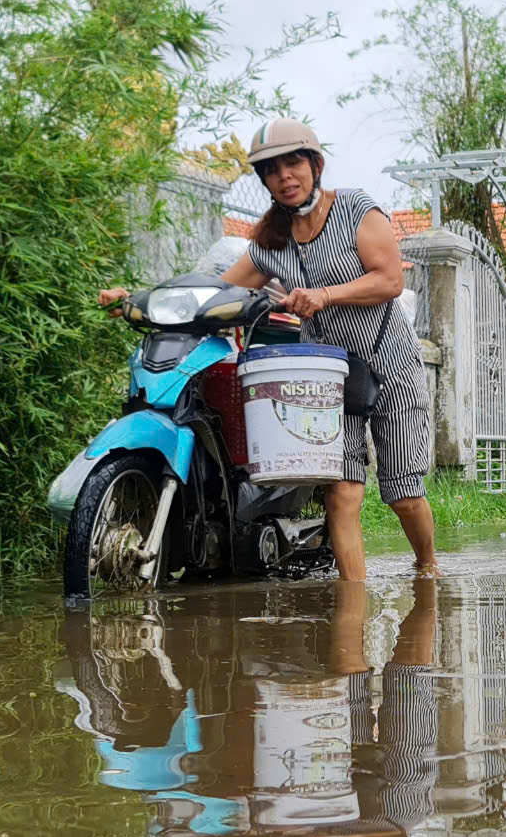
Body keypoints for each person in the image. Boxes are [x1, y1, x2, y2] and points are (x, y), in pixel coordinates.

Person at [102, 118, 438, 581]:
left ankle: (427, 567)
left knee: (402, 493)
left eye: (294, 162)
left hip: (389, 364)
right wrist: (134, 301)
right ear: (264, 182)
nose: (285, 176)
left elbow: (389, 279)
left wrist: (323, 295)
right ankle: (351, 606)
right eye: (272, 170)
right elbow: (211, 294)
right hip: (323, 375)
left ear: (315, 164)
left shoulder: (358, 210)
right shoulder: (268, 246)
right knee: (341, 494)